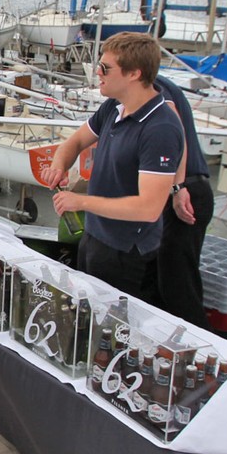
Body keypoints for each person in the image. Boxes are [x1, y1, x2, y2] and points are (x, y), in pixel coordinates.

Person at [41, 32, 184, 302]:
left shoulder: (160, 128)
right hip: (96, 238)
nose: (98, 72)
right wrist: (59, 165)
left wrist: (81, 202)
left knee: (114, 331)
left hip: (126, 253)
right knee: (88, 315)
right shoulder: (113, 107)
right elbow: (75, 141)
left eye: (105, 68)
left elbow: (149, 208)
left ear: (134, 74)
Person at [155, 74, 215, 330]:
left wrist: (178, 188)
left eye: (105, 66)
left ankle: (199, 352)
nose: (99, 73)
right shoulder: (157, 85)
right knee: (163, 281)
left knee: (178, 286)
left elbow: (173, 127)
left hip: (184, 193)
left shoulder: (153, 88)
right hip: (180, 190)